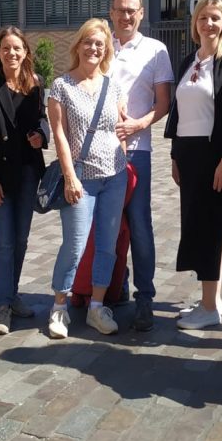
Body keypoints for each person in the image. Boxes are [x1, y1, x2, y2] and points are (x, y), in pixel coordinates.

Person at [164, 0, 222, 330]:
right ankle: (210, 298)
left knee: (210, 225)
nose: (209, 24)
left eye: (215, 17)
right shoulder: (189, 59)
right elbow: (178, 111)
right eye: (203, 17)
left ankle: (209, 307)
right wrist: (174, 154)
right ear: (195, 24)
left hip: (216, 154)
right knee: (198, 222)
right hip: (188, 155)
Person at [47, 19, 128, 339]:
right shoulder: (62, 86)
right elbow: (59, 135)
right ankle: (58, 307)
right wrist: (69, 177)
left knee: (107, 246)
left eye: (100, 44)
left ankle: (96, 306)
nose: (93, 48)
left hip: (114, 177)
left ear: (106, 49)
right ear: (78, 45)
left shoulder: (114, 86)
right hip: (81, 178)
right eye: (88, 42)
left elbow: (120, 129)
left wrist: (123, 162)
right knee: (75, 244)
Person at [0, 27, 49, 336]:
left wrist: (40, 135)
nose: (12, 53)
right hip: (0, 177)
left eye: (17, 48)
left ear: (25, 52)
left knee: (20, 240)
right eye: (6, 48)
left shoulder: (36, 85)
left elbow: (43, 118)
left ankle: (13, 294)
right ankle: (2, 305)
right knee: (3, 242)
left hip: (29, 172)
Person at [109, 0, 174, 331]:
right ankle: (114, 285)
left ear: (141, 13)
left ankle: (144, 297)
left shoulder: (155, 50)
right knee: (106, 226)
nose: (126, 15)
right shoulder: (100, 46)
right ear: (111, 12)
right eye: (120, 9)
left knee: (139, 227)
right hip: (100, 155)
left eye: (132, 10)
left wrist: (139, 124)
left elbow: (163, 103)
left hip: (137, 153)